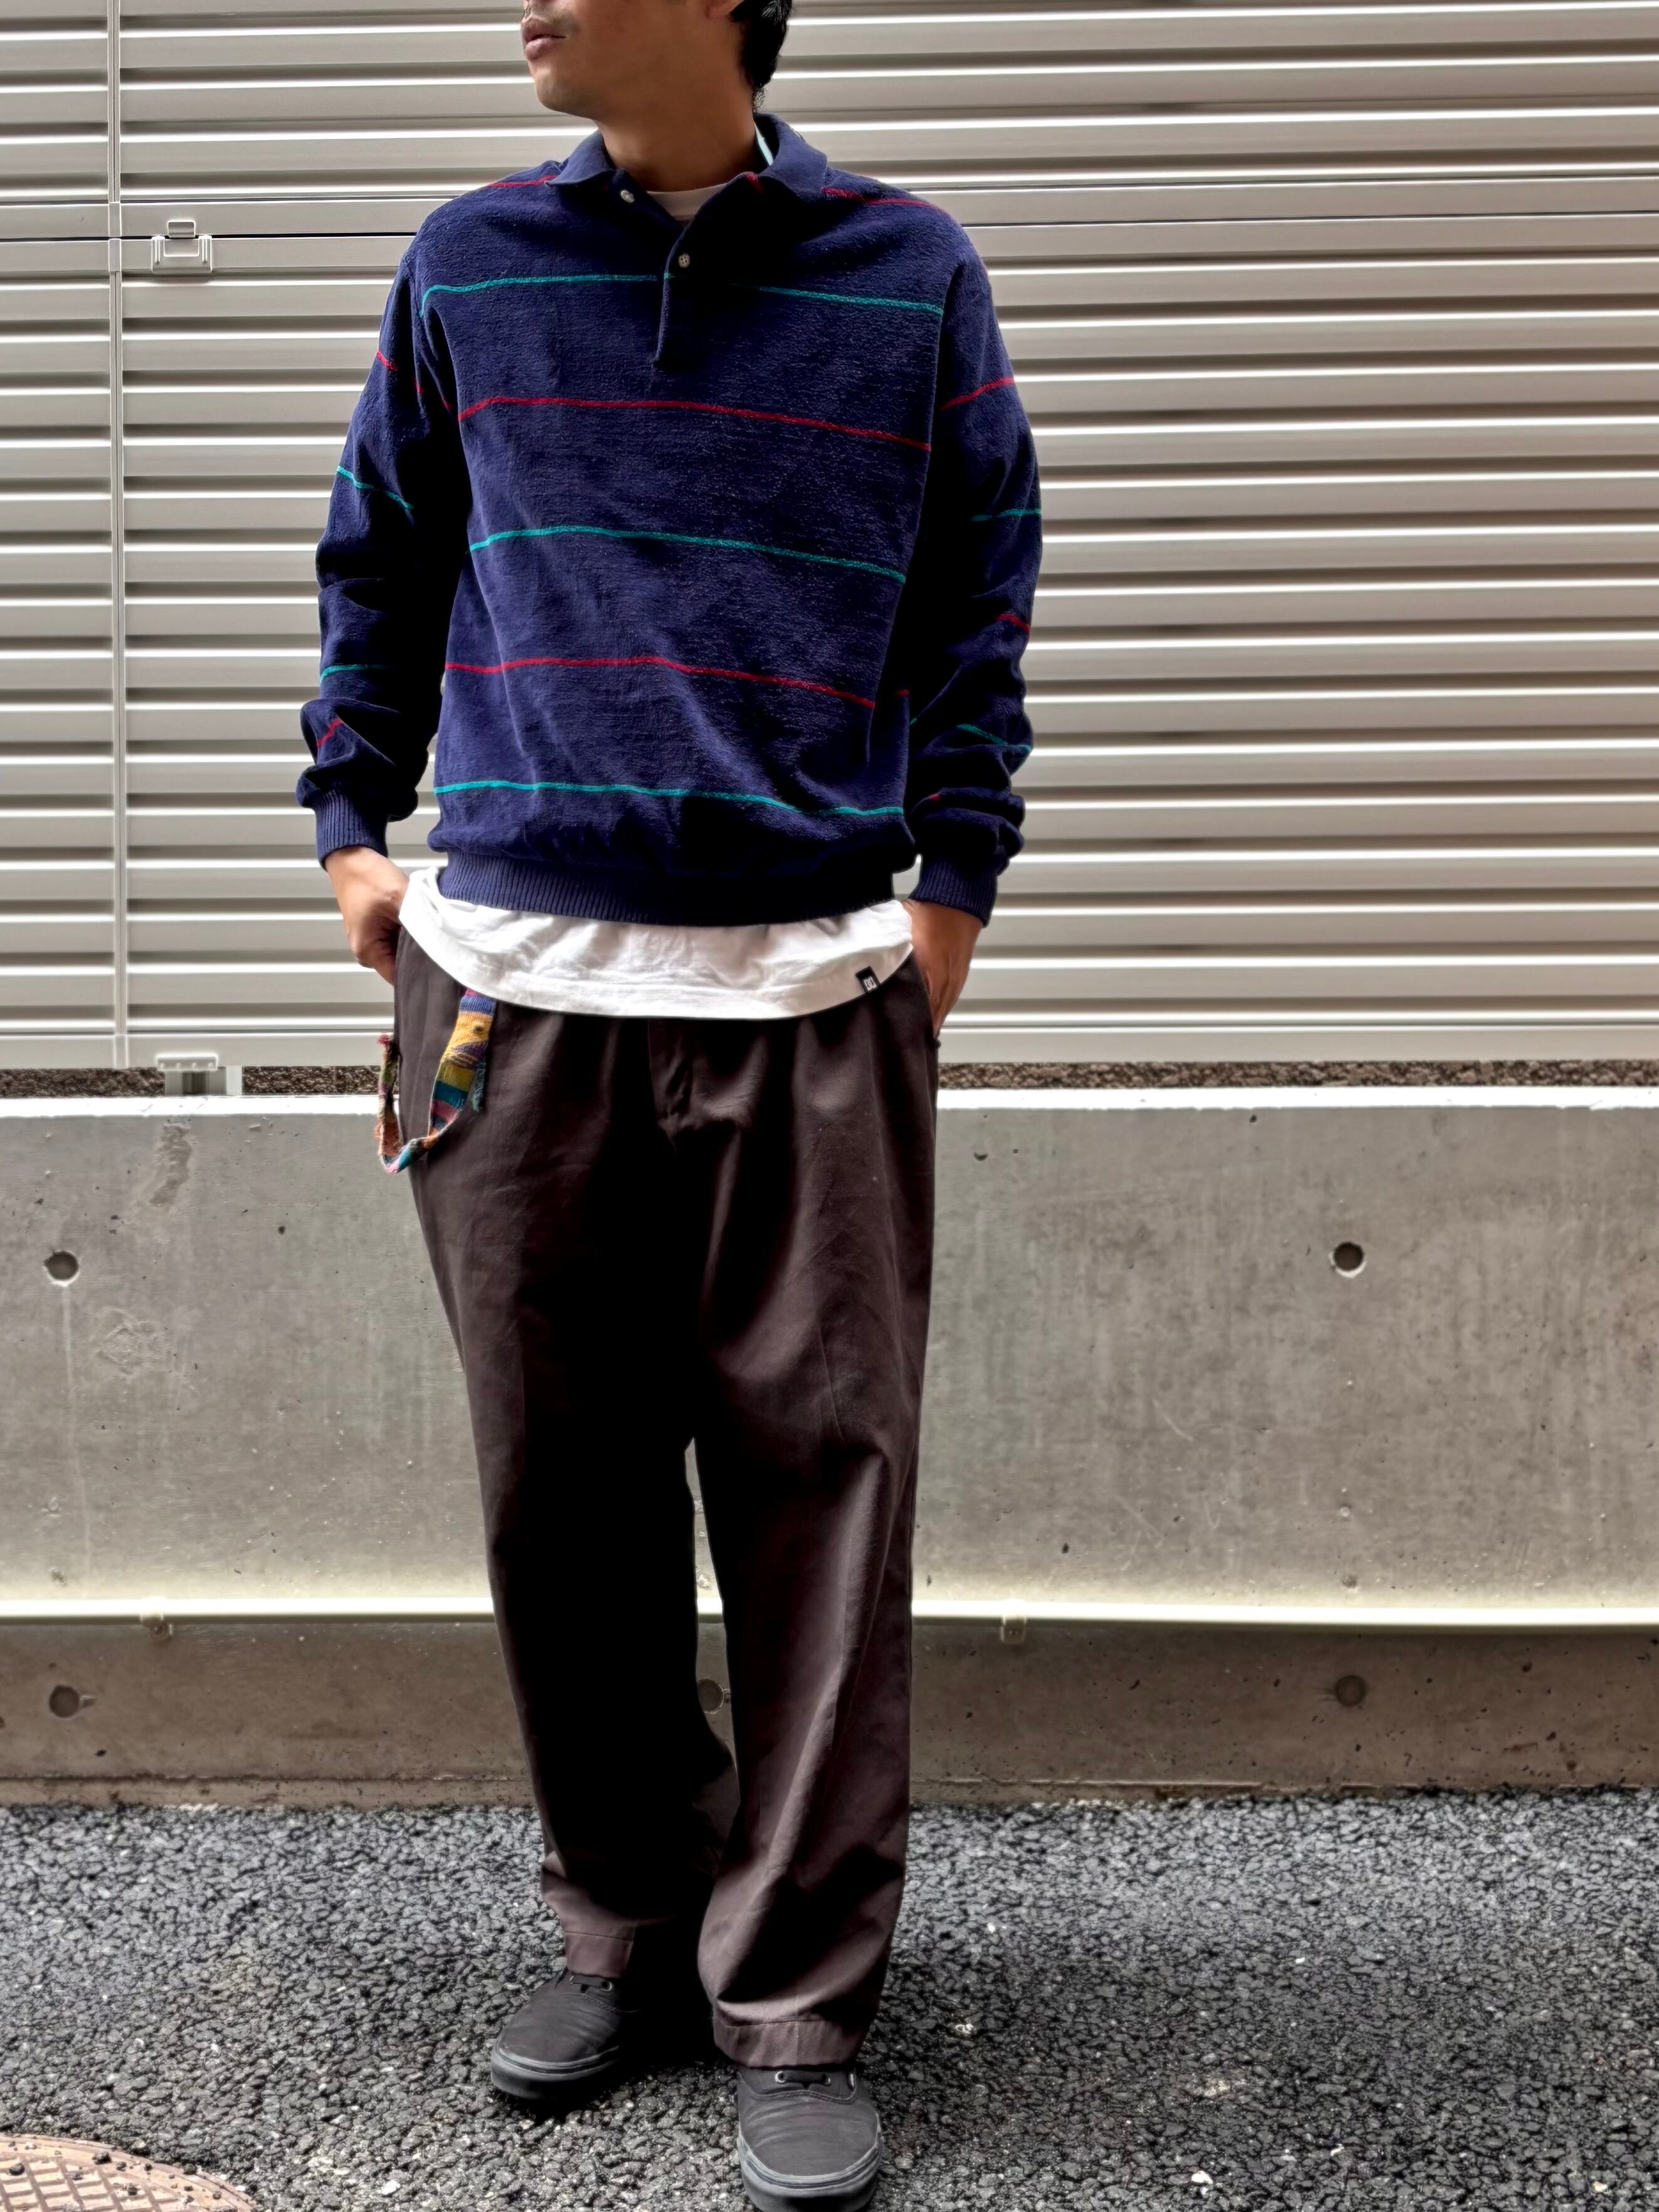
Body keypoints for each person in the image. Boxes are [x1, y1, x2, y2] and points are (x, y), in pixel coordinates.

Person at [296, 0, 1039, 2198]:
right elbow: (382, 549)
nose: (523, 2)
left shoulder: (907, 273)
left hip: (808, 990)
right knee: (562, 1495)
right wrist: (349, 832)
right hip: (509, 997)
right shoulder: (471, 261)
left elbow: (979, 588)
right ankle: (624, 1908)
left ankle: (793, 1992)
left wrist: (952, 892)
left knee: (823, 1501)